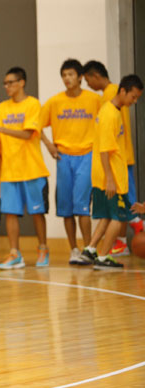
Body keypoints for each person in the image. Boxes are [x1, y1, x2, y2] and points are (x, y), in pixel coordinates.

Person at [0, 67, 50, 269]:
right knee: (10, 213)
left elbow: (27, 134)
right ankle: (15, 253)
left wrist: (1, 129)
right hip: (9, 170)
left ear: (22, 82)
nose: (6, 86)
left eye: (10, 82)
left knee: (38, 213)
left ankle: (43, 249)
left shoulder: (33, 104)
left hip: (32, 168)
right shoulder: (2, 107)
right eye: (5, 83)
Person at [79, 74, 143, 269]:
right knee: (119, 216)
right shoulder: (109, 114)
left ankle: (90, 249)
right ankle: (103, 256)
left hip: (104, 175)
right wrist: (110, 179)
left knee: (107, 214)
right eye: (133, 97)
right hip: (111, 176)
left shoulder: (111, 110)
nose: (134, 101)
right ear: (122, 91)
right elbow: (105, 150)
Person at [39, 59, 100, 264]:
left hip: (87, 155)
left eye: (71, 74)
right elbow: (36, 125)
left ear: (80, 77)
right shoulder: (55, 101)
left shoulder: (94, 100)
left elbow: (106, 124)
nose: (67, 78)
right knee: (66, 207)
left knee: (81, 205)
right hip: (63, 156)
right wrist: (49, 145)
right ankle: (74, 249)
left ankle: (89, 248)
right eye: (64, 75)